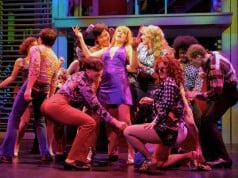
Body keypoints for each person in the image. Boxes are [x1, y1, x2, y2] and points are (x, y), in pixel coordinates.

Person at [41, 57, 127, 171]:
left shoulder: (78, 75)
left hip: (48, 104)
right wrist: (116, 122)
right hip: (57, 104)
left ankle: (75, 157)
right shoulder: (84, 82)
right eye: (97, 75)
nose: (99, 78)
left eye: (100, 75)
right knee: (90, 123)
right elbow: (97, 107)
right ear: (88, 70)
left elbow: (86, 102)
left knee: (84, 122)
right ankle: (72, 159)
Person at [124, 55, 205, 172]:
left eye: (163, 68)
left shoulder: (168, 83)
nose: (160, 71)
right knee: (160, 163)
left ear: (171, 69)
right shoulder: (173, 83)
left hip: (167, 129)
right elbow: (170, 102)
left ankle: (149, 158)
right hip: (173, 131)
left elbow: (167, 106)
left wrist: (154, 122)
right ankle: (189, 156)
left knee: (128, 132)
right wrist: (153, 101)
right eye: (159, 69)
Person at [72, 25, 137, 164]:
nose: (120, 33)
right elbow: (89, 56)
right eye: (118, 31)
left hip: (121, 87)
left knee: (126, 121)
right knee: (94, 120)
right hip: (105, 87)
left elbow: (133, 66)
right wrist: (81, 38)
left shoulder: (127, 48)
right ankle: (89, 151)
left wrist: (135, 50)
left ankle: (131, 153)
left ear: (127, 37)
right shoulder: (106, 49)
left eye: (123, 32)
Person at [0, 28, 60, 163]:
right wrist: (50, 96)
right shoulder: (54, 56)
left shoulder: (36, 49)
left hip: (33, 85)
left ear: (40, 39)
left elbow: (35, 69)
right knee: (40, 121)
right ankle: (45, 153)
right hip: (44, 89)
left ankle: (6, 153)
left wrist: (28, 89)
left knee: (14, 117)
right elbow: (54, 78)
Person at [186, 44, 238, 168]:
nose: (192, 64)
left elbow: (216, 93)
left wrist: (195, 95)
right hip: (223, 91)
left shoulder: (215, 66)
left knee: (209, 122)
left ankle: (224, 158)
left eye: (193, 61)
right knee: (204, 121)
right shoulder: (210, 56)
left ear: (198, 56)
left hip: (227, 94)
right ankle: (209, 156)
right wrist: (206, 74)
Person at [0, 36, 38, 157]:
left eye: (36, 45)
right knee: (24, 122)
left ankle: (45, 150)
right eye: (32, 45)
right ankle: (16, 146)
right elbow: (12, 78)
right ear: (27, 47)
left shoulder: (39, 60)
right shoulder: (20, 61)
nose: (34, 48)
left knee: (39, 121)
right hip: (23, 91)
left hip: (36, 92)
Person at [134, 25, 174, 124]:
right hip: (140, 83)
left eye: (144, 35)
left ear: (151, 37)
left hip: (154, 84)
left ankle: (153, 134)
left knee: (152, 109)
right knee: (141, 108)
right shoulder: (141, 47)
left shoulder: (163, 52)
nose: (142, 37)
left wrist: (142, 67)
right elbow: (135, 64)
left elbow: (159, 74)